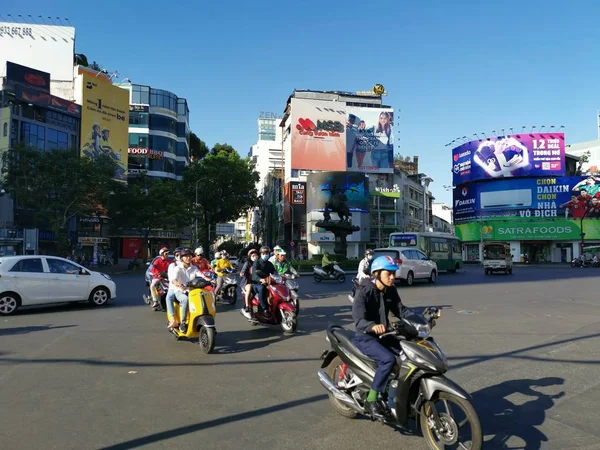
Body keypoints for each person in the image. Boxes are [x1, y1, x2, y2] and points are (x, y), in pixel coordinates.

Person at [351, 255, 407, 418]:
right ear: (376, 274)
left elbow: (401, 310)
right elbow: (358, 320)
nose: (392, 277)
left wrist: (422, 319)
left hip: (385, 334)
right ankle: (372, 398)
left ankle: (393, 391)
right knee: (388, 359)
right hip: (365, 337)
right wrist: (372, 326)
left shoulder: (391, 290)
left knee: (406, 355)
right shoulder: (364, 292)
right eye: (388, 274)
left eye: (394, 273)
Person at [169, 248, 202, 333]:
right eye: (185, 256)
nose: (188, 258)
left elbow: (201, 275)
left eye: (189, 256)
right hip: (177, 289)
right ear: (181, 257)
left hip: (191, 290)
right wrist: (179, 284)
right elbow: (173, 279)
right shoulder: (175, 267)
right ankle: (182, 322)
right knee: (183, 299)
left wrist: (210, 280)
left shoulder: (193, 267)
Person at [252, 246, 276, 315]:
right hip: (257, 283)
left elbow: (274, 272)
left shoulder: (269, 264)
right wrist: (260, 279)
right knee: (262, 289)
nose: (266, 254)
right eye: (264, 253)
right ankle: (264, 308)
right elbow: (254, 276)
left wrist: (281, 276)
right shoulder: (257, 263)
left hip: (269, 282)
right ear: (261, 254)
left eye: (267, 253)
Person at [165, 247, 183, 329]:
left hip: (187, 287)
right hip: (174, 287)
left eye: (181, 254)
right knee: (169, 298)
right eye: (177, 254)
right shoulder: (172, 265)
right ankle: (173, 319)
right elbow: (171, 278)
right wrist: (178, 284)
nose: (179, 256)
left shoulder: (189, 264)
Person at [239, 249, 259, 319]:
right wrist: (242, 273)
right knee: (249, 288)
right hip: (248, 282)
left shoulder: (260, 263)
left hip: (259, 282)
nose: (255, 257)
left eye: (256, 255)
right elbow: (243, 271)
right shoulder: (247, 263)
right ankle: (247, 306)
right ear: (250, 256)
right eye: (253, 255)